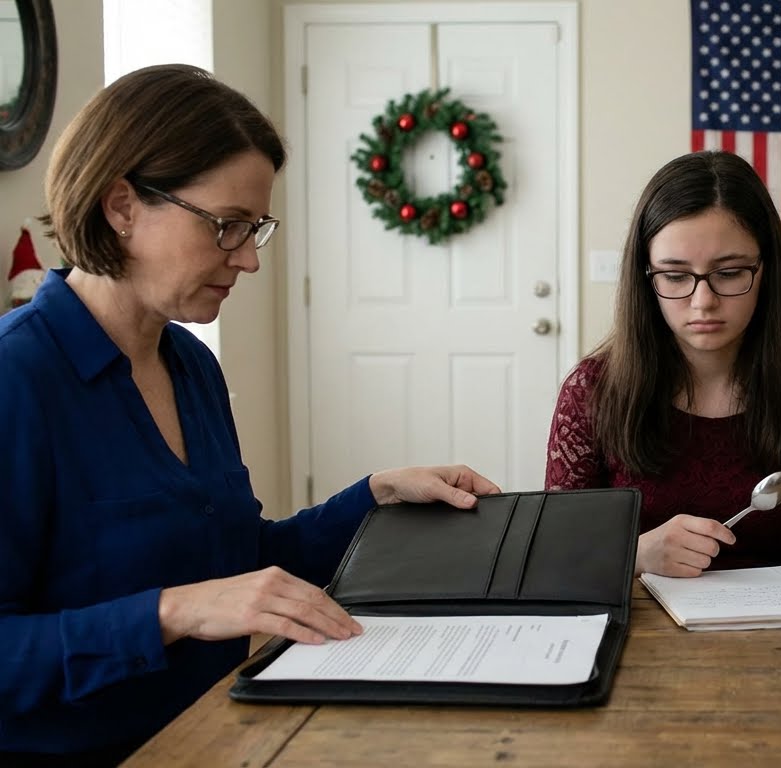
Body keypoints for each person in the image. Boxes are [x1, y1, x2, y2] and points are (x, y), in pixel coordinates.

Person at [0, 65, 501, 765]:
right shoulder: (17, 379)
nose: (248, 261)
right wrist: (174, 612)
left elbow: (234, 566)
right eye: (226, 226)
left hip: (222, 735)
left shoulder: (189, 365)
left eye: (254, 229)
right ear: (121, 206)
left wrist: (374, 498)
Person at [545, 151, 781, 579]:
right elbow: (558, 560)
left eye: (729, 273)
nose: (703, 301)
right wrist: (634, 555)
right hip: (636, 619)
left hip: (778, 620)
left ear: (766, 271)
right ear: (645, 278)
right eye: (676, 276)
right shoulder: (591, 391)